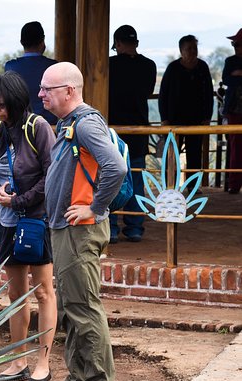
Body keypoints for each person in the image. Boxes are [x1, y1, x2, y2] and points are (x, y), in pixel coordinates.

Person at [38, 62, 127, 381]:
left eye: (48, 88)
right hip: (66, 230)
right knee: (73, 306)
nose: (41, 93)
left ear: (69, 91)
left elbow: (115, 167)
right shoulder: (69, 124)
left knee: (84, 306)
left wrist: (94, 206)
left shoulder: (86, 123)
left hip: (80, 231)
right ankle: (78, 380)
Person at [0, 71, 57, 381]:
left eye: (1, 105)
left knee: (43, 291)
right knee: (14, 294)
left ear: (15, 102)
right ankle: (17, 360)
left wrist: (20, 200)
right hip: (7, 222)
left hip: (35, 220)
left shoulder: (37, 128)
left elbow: (51, 173)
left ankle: (43, 362)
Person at [108, 25, 157, 243]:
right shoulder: (149, 66)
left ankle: (110, 227)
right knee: (136, 178)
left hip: (111, 132)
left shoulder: (108, 65)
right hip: (139, 130)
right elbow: (146, 92)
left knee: (109, 178)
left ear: (117, 44)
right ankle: (135, 226)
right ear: (136, 43)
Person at [158, 35, 214, 188]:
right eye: (189, 48)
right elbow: (163, 94)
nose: (193, 51)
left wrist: (207, 117)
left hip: (197, 120)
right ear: (181, 51)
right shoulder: (173, 68)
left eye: (195, 48)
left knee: (195, 154)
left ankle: (193, 186)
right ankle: (170, 186)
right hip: (174, 119)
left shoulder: (202, 67)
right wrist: (164, 119)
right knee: (171, 154)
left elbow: (209, 94)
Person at [5, 21, 58, 125]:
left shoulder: (10, 67)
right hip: (50, 128)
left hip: (20, 127)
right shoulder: (53, 66)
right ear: (43, 40)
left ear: (21, 42)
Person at [222, 27, 242, 194]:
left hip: (234, 110)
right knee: (235, 148)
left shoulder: (232, 64)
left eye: (238, 44)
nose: (235, 46)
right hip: (234, 111)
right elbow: (226, 79)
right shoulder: (230, 61)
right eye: (234, 44)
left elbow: (231, 80)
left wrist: (239, 75)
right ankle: (234, 184)